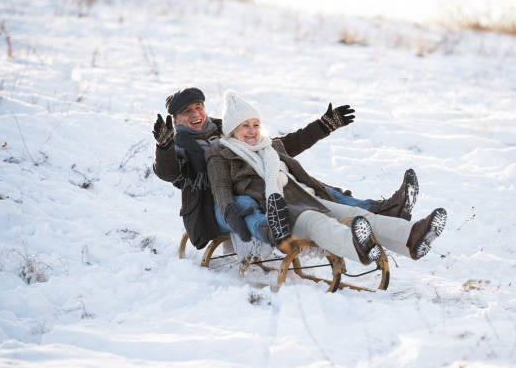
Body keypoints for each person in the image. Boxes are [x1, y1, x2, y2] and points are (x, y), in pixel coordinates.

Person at [152, 87, 419, 251]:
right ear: (176, 120)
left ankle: (381, 209)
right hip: (216, 209)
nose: (195, 113)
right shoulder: (179, 145)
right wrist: (164, 148)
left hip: (254, 188)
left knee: (305, 186)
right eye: (187, 111)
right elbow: (169, 172)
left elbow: (277, 147)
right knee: (244, 202)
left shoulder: (228, 128)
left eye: (198, 106)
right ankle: (271, 230)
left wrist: (322, 126)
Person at [205, 90, 447, 264]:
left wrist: (324, 125)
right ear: (232, 131)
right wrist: (229, 212)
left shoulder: (269, 147)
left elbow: (297, 139)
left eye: (255, 124)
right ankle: (357, 247)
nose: (252, 131)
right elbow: (220, 189)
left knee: (357, 215)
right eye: (245, 126)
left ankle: (412, 236)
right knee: (316, 222)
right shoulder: (222, 154)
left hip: (307, 197)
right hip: (277, 211)